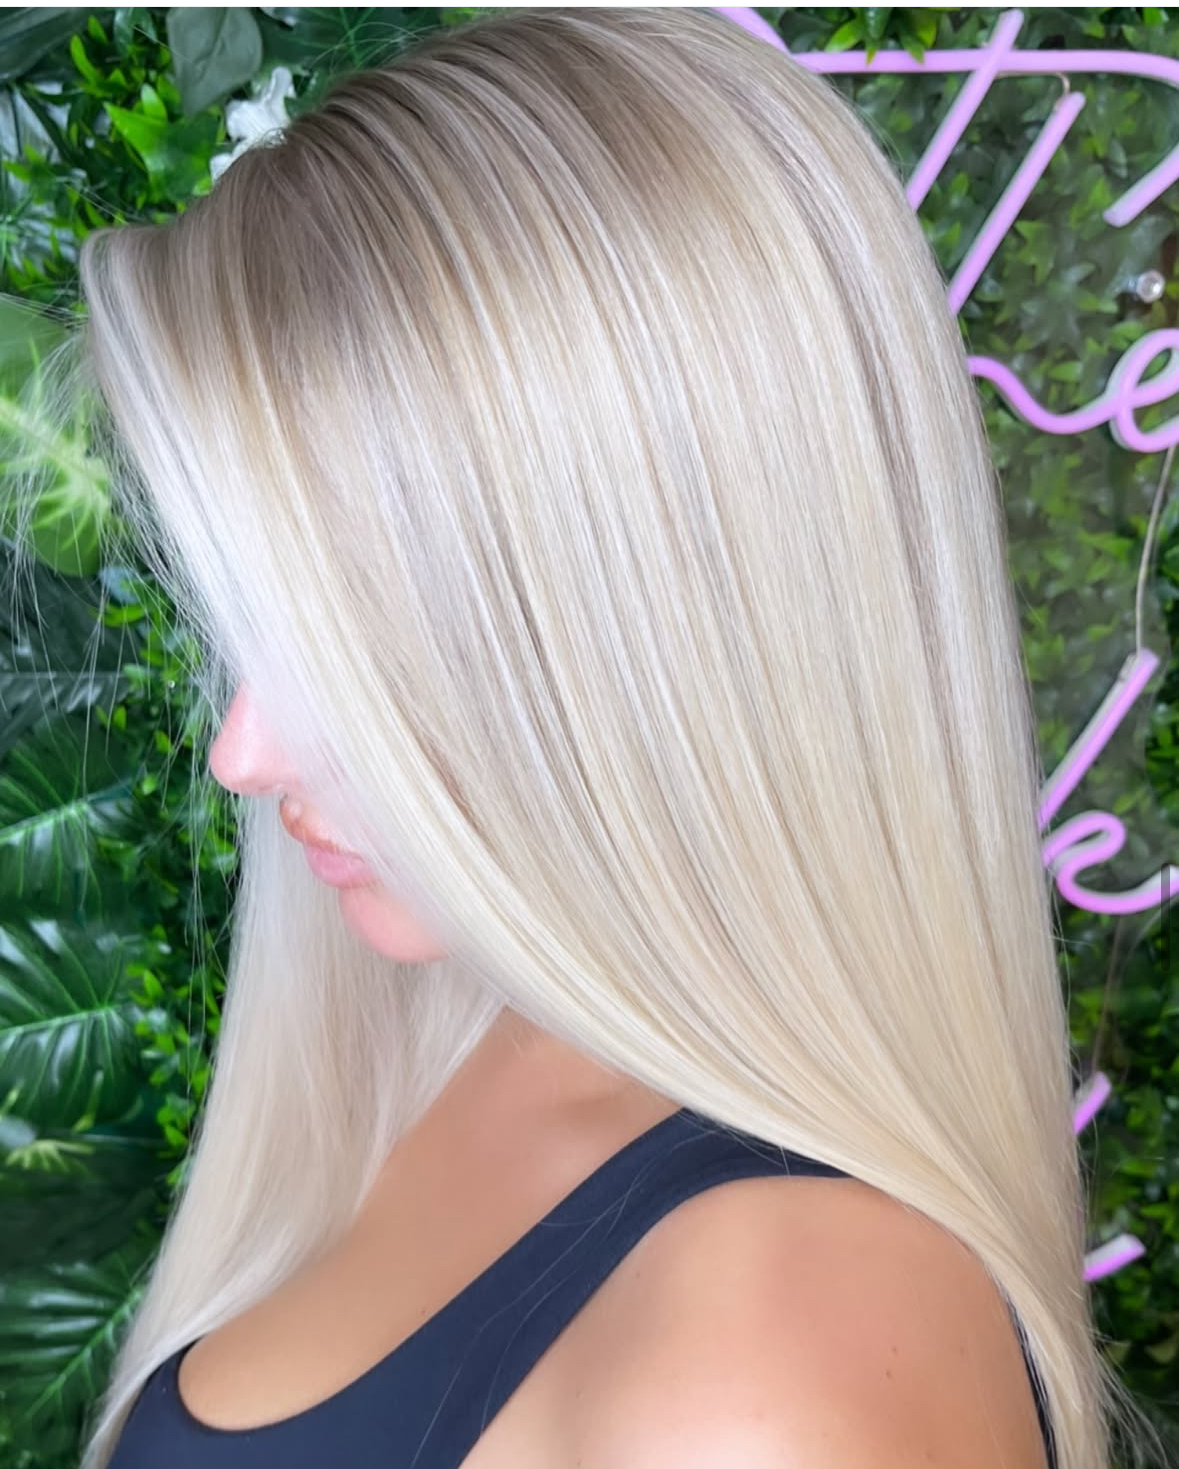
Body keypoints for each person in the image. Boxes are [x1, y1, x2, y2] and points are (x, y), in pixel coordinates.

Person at [42, 7, 1152, 1468]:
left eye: (368, 632)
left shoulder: (766, 1378)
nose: (242, 754)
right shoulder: (470, 1040)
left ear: (671, 617)